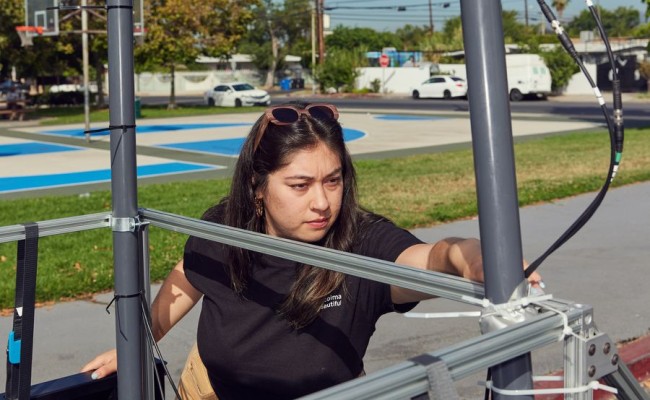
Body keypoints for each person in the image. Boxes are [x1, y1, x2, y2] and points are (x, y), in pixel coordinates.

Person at [83, 102, 541, 399]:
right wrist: (141, 341)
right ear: (257, 188)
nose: (322, 202)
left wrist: (477, 259)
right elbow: (189, 274)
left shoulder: (362, 241)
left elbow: (434, 255)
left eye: (333, 180)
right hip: (208, 388)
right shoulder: (226, 223)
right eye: (299, 185)